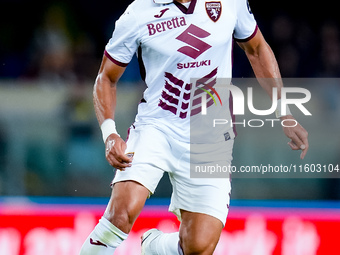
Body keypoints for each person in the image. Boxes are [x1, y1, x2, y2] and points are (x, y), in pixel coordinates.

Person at [79, 0, 309, 254]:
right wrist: (110, 133)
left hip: (210, 136)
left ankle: (154, 247)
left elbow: (256, 49)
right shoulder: (138, 12)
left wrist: (283, 111)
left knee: (198, 247)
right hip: (157, 126)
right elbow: (106, 78)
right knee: (121, 214)